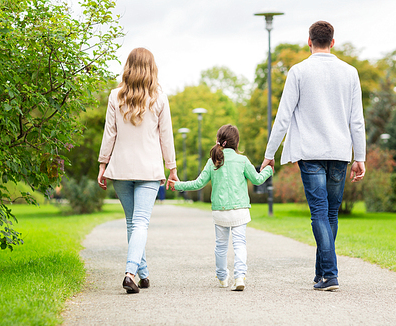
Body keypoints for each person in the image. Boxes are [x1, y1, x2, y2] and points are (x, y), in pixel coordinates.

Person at [261, 21, 366, 291]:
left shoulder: (298, 72)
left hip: (310, 152)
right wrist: (360, 157)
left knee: (320, 211)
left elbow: (283, 117)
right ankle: (322, 273)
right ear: (333, 41)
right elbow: (357, 121)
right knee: (330, 213)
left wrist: (269, 154)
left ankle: (329, 274)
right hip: (340, 152)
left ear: (309, 41)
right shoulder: (350, 72)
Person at [97, 48, 178, 294]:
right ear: (152, 68)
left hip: (120, 168)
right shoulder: (159, 98)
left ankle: (143, 274)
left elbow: (109, 133)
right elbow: (167, 137)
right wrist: (171, 168)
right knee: (140, 222)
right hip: (149, 170)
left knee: (133, 223)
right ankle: (130, 272)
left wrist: (103, 164)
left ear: (128, 67)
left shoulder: (115, 96)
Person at [168, 125, 273, 291]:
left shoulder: (213, 161)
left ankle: (223, 277)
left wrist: (178, 185)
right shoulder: (243, 160)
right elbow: (258, 180)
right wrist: (268, 170)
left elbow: (198, 184)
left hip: (220, 212)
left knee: (221, 246)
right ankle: (239, 277)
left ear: (219, 141)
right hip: (240, 210)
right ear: (236, 142)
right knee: (240, 244)